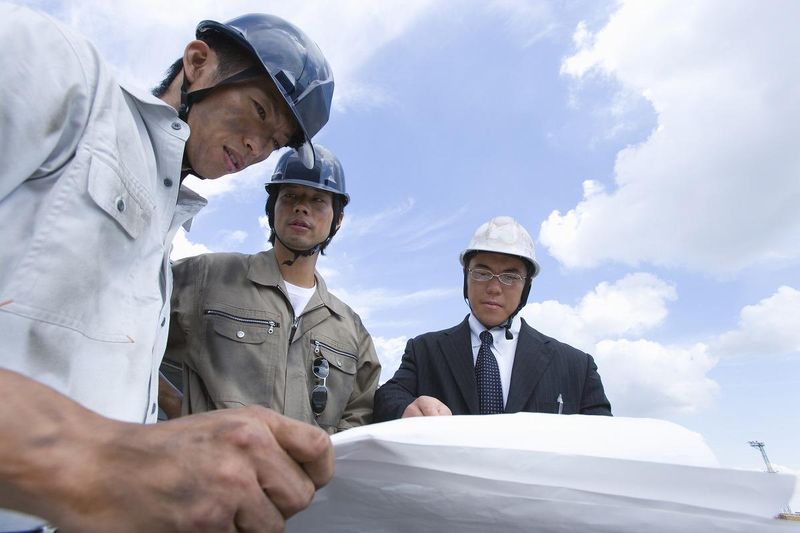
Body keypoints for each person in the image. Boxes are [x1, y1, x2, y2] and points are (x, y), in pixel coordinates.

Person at [0, 4, 335, 531]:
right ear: (198, 63)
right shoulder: (64, 77)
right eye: (259, 110)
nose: (257, 147)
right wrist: (106, 459)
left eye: (276, 141)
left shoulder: (164, 235)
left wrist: (191, 428)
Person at [161, 146, 381, 433]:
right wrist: (173, 403)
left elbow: (360, 416)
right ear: (271, 208)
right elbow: (125, 322)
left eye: (317, 200)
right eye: (289, 196)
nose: (301, 207)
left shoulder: (351, 330)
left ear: (338, 220)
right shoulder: (207, 276)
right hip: (208, 461)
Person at [373, 216, 612, 421]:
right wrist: (407, 407)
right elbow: (388, 397)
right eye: (482, 273)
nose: (494, 288)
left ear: (527, 285)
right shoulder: (425, 350)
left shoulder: (577, 367)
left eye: (510, 277)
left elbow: (604, 437)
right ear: (465, 275)